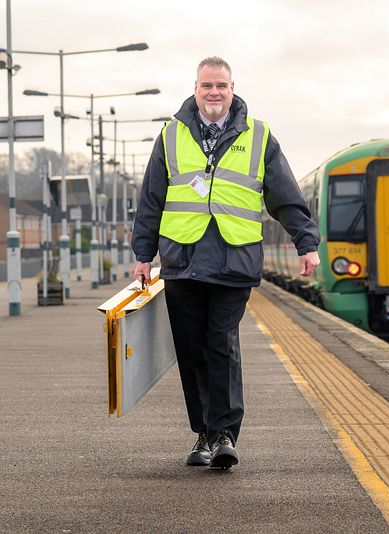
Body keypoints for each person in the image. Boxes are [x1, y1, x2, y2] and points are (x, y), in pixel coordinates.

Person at [132, 56, 320, 469]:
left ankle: (224, 434)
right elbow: (151, 198)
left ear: (233, 88)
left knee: (220, 342)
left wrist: (306, 242)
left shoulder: (259, 136)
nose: (213, 93)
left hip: (234, 261)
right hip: (183, 260)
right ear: (195, 88)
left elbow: (285, 194)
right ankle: (203, 434)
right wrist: (143, 255)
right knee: (191, 348)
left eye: (221, 85)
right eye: (206, 86)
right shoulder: (171, 135)